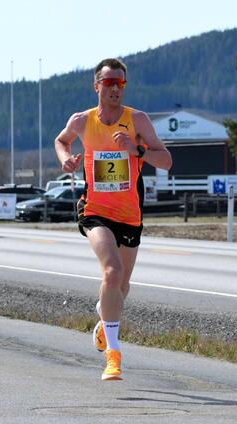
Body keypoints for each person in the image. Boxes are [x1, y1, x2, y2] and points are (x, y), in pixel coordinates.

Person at [54, 58, 172, 381]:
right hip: (95, 210)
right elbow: (61, 140)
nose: (115, 89)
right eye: (109, 83)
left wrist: (138, 150)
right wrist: (66, 160)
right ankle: (114, 356)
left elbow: (167, 161)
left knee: (121, 287)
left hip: (129, 213)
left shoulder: (138, 121)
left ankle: (104, 318)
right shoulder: (82, 121)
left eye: (120, 83)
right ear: (97, 86)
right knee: (111, 270)